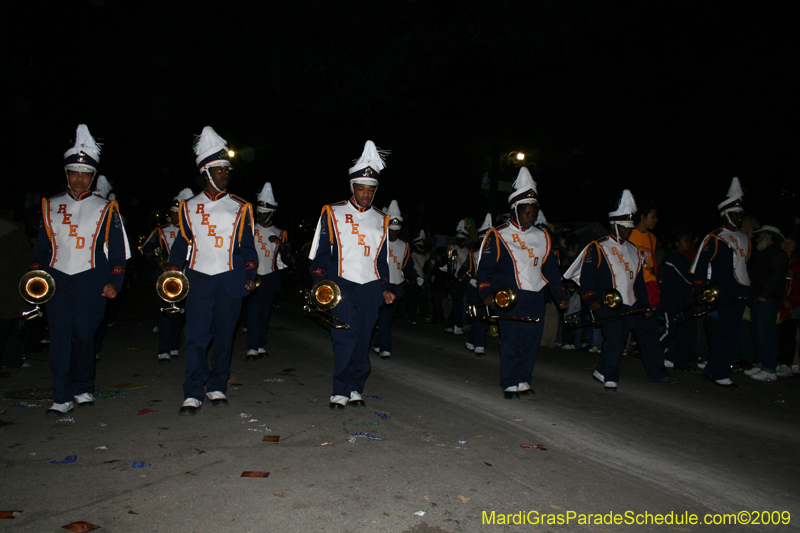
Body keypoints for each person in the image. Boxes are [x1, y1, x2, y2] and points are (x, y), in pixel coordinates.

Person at [29, 125, 131, 416]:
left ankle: (83, 386)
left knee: (85, 335)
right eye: (74, 173)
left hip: (92, 279)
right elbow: (41, 249)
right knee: (60, 337)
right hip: (58, 279)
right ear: (67, 174)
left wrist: (115, 280)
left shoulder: (106, 208)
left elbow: (117, 251)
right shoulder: (50, 206)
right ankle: (61, 396)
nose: (79, 179)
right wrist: (35, 273)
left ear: (92, 177)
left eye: (85, 174)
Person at [167, 126, 258, 415]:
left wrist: (250, 274)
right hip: (198, 279)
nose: (224, 174)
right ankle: (193, 391)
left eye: (226, 170)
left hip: (229, 280)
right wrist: (172, 272)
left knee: (224, 337)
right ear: (206, 173)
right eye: (219, 170)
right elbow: (182, 243)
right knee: (195, 336)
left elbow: (247, 247)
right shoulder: (187, 207)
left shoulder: (241, 206)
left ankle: (217, 385)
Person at [309, 140, 395, 410]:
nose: (366, 195)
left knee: (362, 340)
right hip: (341, 285)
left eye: (370, 190)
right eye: (361, 189)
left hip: (369, 288)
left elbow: (382, 260)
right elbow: (320, 255)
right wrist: (321, 285)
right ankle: (340, 389)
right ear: (352, 187)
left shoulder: (382, 219)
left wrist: (385, 286)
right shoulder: (332, 213)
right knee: (343, 339)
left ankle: (357, 387)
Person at [565, 189, 674, 391]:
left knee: (618, 341)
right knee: (614, 338)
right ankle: (611, 377)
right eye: (623, 228)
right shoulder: (598, 247)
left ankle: (602, 369)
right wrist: (592, 300)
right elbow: (587, 279)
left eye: (629, 228)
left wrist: (646, 305)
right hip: (608, 304)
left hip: (630, 305)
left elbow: (639, 283)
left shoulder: (634, 249)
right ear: (614, 225)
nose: (626, 232)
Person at [477, 168, 569, 398]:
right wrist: (486, 292)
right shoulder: (498, 235)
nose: (531, 216)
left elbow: (550, 271)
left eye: (534, 212)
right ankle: (509, 381)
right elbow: (485, 269)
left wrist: (561, 296)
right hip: (509, 297)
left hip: (535, 296)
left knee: (531, 341)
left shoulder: (544, 237)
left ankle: (524, 379)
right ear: (515, 211)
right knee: (511, 339)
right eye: (526, 212)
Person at [689, 178, 751, 388]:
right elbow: (700, 266)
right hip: (723, 291)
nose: (739, 217)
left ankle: (713, 369)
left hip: (740, 291)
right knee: (728, 331)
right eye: (736, 214)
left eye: (741, 214)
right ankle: (720, 371)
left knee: (730, 332)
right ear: (726, 214)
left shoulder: (744, 238)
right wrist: (700, 291)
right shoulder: (715, 237)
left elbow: (745, 266)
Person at [141, 188, 194, 363]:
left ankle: (174, 346)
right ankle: (163, 350)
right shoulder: (161, 231)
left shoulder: (193, 230)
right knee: (165, 312)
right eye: (172, 213)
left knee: (180, 313)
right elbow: (146, 249)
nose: (173, 217)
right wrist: (157, 261)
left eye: (176, 214)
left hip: (187, 276)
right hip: (166, 276)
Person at [246, 182, 291, 361]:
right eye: (259, 212)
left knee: (265, 313)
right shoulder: (249, 230)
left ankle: (260, 345)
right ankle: (251, 347)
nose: (261, 215)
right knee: (253, 312)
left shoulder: (280, 232)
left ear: (271, 213)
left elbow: (288, 260)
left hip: (270, 276)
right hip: (253, 276)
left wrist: (280, 245)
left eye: (265, 212)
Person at [372, 200, 419, 359]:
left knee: (387, 319)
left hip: (397, 285)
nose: (393, 234)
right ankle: (384, 346)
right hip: (381, 284)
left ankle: (380, 345)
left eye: (396, 231)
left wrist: (416, 277)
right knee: (382, 319)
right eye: (391, 230)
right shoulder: (378, 242)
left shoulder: (404, 245)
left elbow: (406, 266)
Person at [746, 225, 789, 381]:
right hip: (759, 298)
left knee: (766, 333)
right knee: (758, 333)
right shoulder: (765, 254)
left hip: (767, 300)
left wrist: (764, 294)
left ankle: (769, 368)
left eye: (761, 236)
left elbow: (775, 277)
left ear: (769, 237)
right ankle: (762, 364)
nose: (758, 239)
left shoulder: (778, 254)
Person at [659, 227, 695, 370]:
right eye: (685, 241)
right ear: (677, 243)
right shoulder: (673, 259)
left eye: (689, 241)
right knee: (671, 330)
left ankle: (679, 361)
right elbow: (688, 279)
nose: (688, 243)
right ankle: (652, 351)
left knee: (683, 332)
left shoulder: (683, 260)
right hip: (672, 302)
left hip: (683, 302)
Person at [459, 213, 493, 355]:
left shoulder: (498, 255)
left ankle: (471, 341)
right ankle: (480, 345)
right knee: (481, 317)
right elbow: (460, 273)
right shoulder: (473, 255)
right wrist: (472, 281)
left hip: (491, 289)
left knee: (483, 318)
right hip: (476, 290)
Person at [628, 200, 660, 308]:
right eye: (653, 216)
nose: (656, 220)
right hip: (635, 287)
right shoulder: (629, 235)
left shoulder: (652, 238)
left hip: (649, 287)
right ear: (643, 217)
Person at [445, 220, 470, 335]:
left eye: (462, 239)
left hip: (464, 280)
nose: (459, 241)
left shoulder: (468, 251)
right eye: (458, 238)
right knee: (458, 302)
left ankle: (449, 324)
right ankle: (457, 325)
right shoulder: (450, 248)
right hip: (454, 280)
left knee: (458, 303)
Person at [406, 230, 431, 325]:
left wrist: (427, 262)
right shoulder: (410, 256)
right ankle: (411, 317)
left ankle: (424, 315)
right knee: (413, 301)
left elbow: (425, 270)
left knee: (423, 299)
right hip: (413, 281)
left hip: (422, 281)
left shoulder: (424, 257)